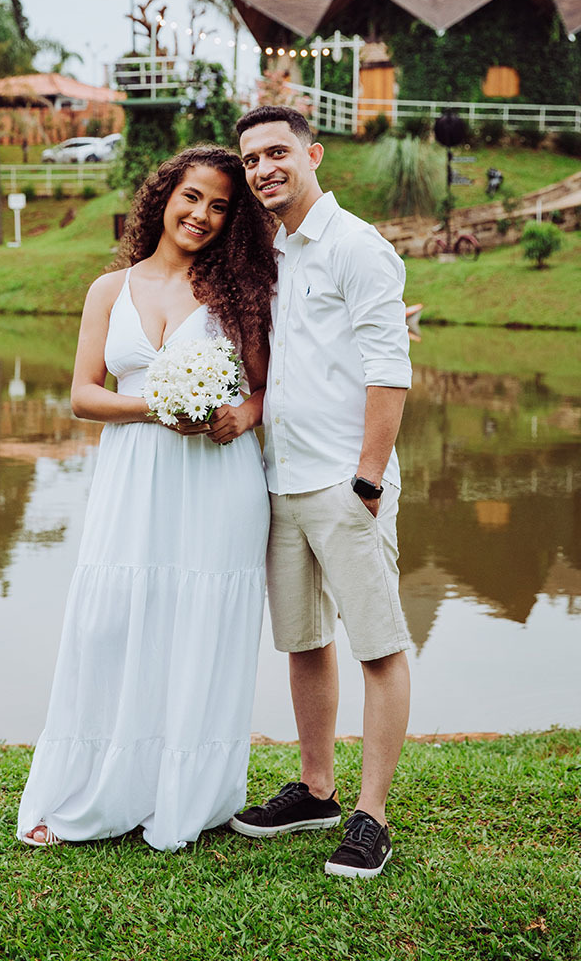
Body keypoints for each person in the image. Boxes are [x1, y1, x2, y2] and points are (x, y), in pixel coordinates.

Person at [17, 144, 276, 852]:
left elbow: (265, 388)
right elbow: (83, 395)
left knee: (200, 626)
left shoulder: (239, 292)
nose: (202, 215)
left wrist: (242, 415)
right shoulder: (110, 289)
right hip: (133, 479)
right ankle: (92, 791)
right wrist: (158, 408)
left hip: (218, 482)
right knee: (113, 623)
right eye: (192, 196)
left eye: (220, 206)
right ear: (164, 196)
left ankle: (187, 796)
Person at [229, 105, 413, 879]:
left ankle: (372, 815)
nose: (263, 169)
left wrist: (367, 478)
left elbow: (389, 369)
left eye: (277, 152)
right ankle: (316, 790)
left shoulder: (356, 246)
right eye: (251, 160)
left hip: (345, 484)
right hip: (282, 482)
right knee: (305, 642)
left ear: (315, 155)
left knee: (378, 646)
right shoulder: (273, 252)